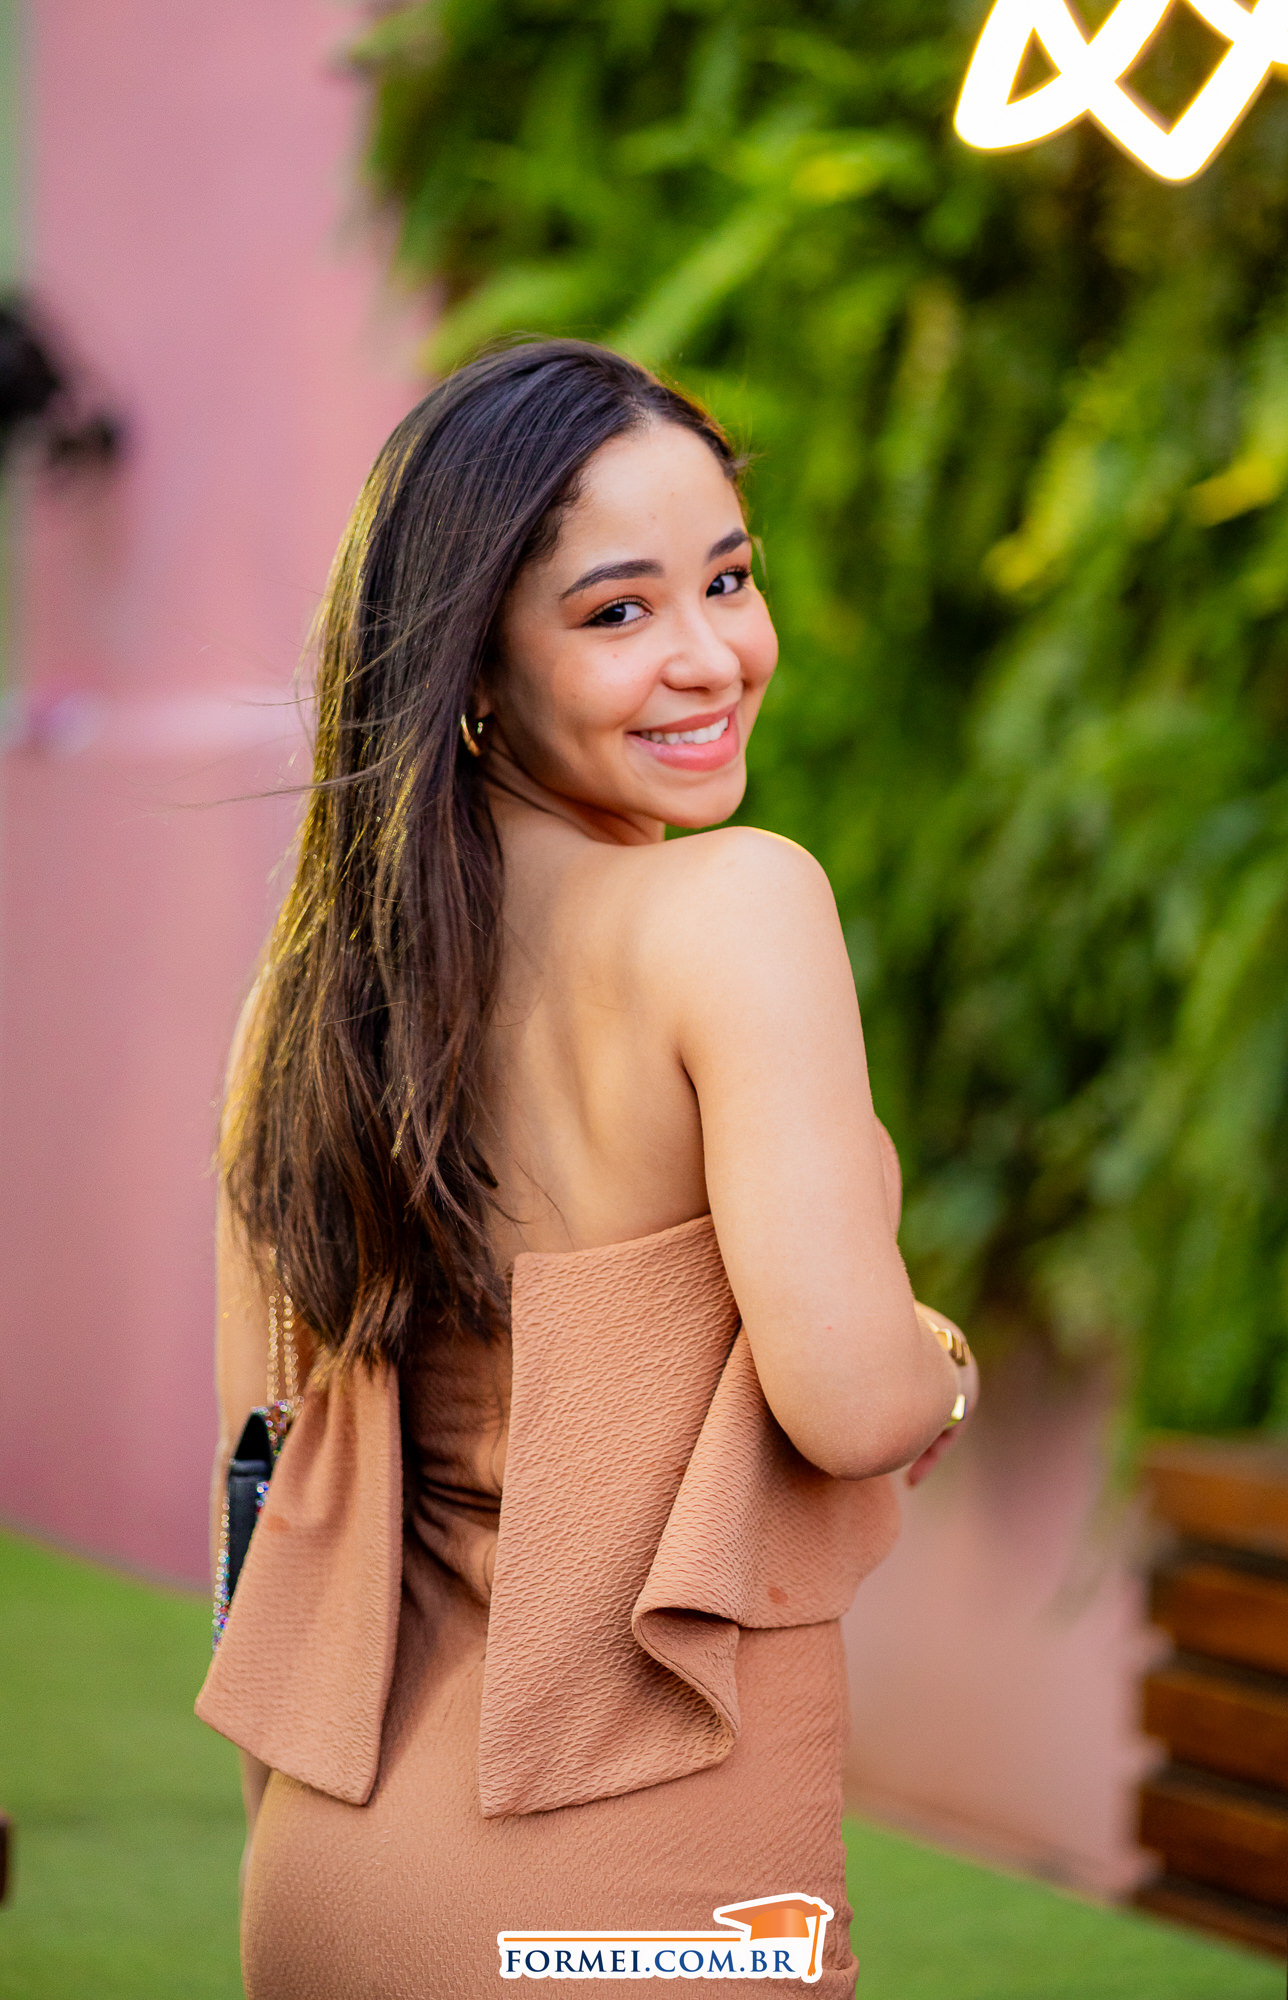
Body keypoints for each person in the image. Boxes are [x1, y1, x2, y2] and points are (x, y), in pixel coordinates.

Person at [197, 338, 978, 1999]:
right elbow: (857, 1405)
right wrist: (941, 1361)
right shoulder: (736, 908)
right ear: (475, 664)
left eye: (729, 580)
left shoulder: (309, 999)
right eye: (618, 611)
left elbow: (255, 1488)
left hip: (326, 1877)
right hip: (629, 1899)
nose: (710, 656)